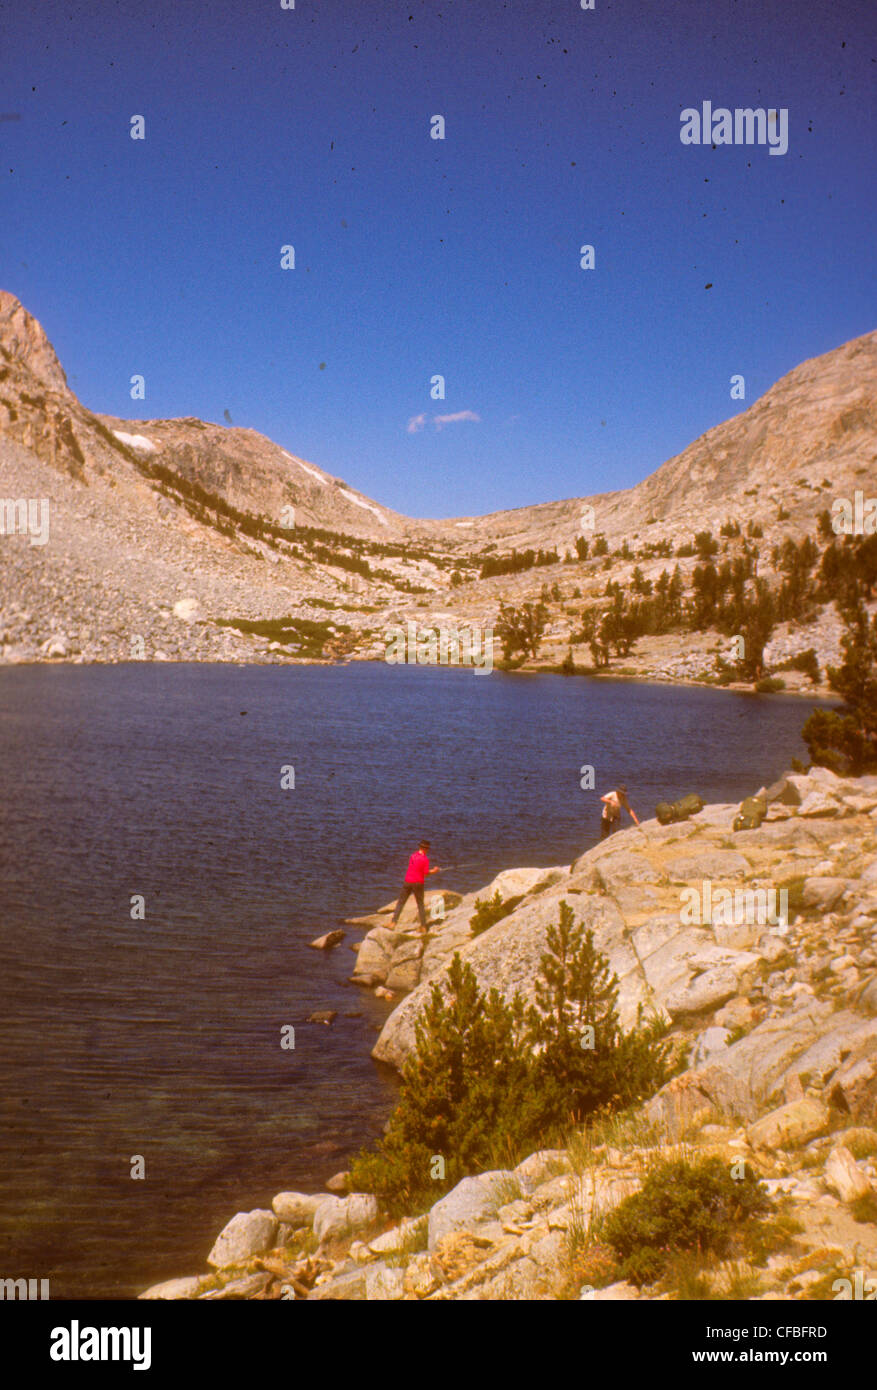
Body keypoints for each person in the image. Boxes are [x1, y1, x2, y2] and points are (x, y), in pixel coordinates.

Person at [391, 839, 441, 933]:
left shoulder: (413, 856)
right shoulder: (425, 859)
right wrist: (434, 871)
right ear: (426, 849)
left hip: (408, 881)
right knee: (420, 905)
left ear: (419, 847)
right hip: (418, 883)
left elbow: (414, 868)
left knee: (401, 902)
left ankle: (393, 922)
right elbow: (425, 873)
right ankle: (423, 926)